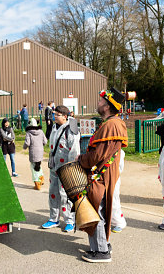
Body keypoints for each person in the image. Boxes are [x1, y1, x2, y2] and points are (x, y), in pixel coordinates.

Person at [77, 88, 128, 263]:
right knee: (100, 208)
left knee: (95, 209)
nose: (98, 104)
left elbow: (99, 155)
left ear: (106, 106)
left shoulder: (112, 124)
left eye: (100, 102)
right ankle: (101, 245)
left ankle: (101, 251)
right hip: (102, 173)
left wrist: (82, 159)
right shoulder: (111, 123)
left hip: (101, 174)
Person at [41, 105, 80, 233]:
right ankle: (54, 218)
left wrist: (70, 168)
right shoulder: (54, 126)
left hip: (66, 168)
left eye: (57, 115)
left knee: (66, 195)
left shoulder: (71, 128)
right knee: (53, 193)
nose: (54, 117)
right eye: (54, 114)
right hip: (54, 166)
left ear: (65, 116)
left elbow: (74, 150)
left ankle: (70, 220)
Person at [23, 118, 47, 190]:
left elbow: (27, 143)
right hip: (40, 151)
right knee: (38, 165)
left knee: (33, 167)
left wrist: (24, 147)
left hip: (33, 151)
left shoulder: (29, 133)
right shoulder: (41, 131)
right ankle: (41, 178)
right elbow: (45, 142)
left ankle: (37, 184)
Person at [111, 149, 127, 233]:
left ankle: (118, 222)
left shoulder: (120, 152)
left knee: (114, 200)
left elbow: (119, 169)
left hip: (114, 178)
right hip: (102, 178)